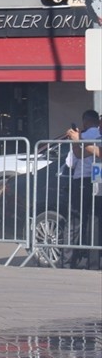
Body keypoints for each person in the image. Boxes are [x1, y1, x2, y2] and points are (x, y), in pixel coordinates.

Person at [65, 109, 101, 261]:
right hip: (97, 179)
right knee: (95, 219)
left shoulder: (84, 136)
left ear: (85, 121)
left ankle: (69, 259)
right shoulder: (97, 137)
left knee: (77, 219)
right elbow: (84, 153)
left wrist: (77, 139)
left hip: (84, 180)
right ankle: (93, 260)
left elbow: (71, 162)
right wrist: (77, 142)